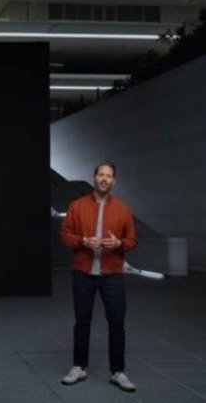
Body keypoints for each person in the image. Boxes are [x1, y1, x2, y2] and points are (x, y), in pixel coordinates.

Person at [60, 161, 137, 392]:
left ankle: (118, 372)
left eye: (108, 176)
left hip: (112, 275)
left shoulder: (123, 209)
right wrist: (83, 241)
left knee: (117, 323)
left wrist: (119, 244)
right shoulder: (77, 206)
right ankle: (79, 367)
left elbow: (132, 240)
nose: (104, 179)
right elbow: (65, 234)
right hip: (83, 272)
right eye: (100, 174)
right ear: (94, 178)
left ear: (114, 181)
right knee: (82, 321)